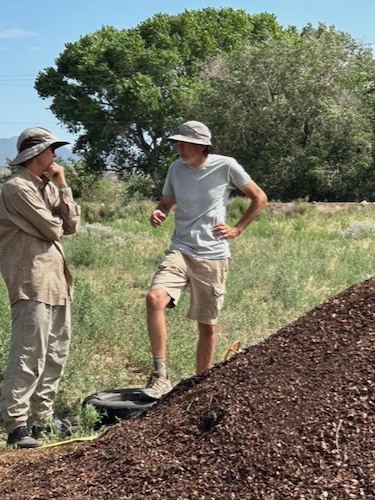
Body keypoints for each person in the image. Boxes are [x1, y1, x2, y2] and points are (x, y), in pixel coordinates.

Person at [140, 120, 267, 400]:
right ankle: (160, 375)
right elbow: (166, 202)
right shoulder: (175, 168)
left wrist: (237, 228)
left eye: (184, 142)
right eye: (177, 142)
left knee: (207, 327)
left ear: (202, 145)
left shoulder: (226, 165)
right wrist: (159, 212)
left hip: (212, 256)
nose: (179, 147)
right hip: (181, 249)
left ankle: (200, 386)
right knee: (154, 298)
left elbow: (259, 197)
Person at [0, 127, 81, 448]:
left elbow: (71, 224)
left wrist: (62, 186)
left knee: (55, 352)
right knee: (28, 352)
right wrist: (58, 215)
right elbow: (52, 229)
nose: (55, 156)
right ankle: (16, 425)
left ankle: (42, 418)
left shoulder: (47, 187)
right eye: (51, 150)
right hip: (30, 279)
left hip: (56, 280)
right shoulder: (17, 188)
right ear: (36, 155)